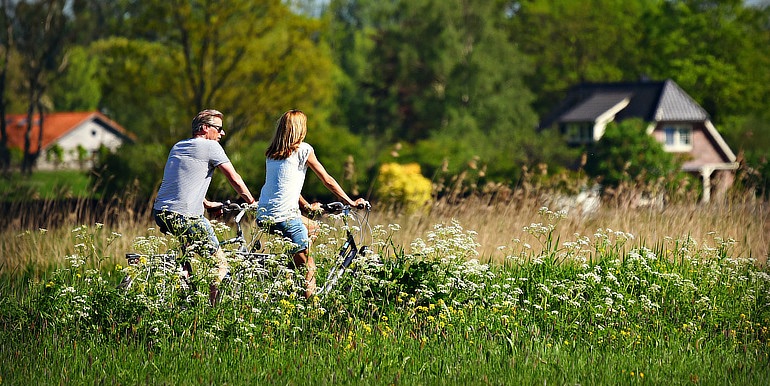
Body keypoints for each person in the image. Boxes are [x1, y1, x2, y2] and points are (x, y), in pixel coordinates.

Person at [257, 109, 368, 298]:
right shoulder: (304, 150)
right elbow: (327, 179)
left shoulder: (272, 154)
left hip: (264, 214)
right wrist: (350, 202)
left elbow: (284, 185)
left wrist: (306, 206)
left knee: (314, 227)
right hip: (285, 216)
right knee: (309, 268)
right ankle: (311, 313)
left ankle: (291, 269)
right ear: (300, 129)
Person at [153, 109, 256, 305]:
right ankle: (211, 311)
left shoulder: (178, 146)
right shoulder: (210, 147)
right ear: (204, 129)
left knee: (187, 259)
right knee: (220, 265)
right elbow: (234, 178)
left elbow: (182, 183)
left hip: (161, 212)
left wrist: (207, 203)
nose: (222, 133)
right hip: (185, 216)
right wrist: (251, 202)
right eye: (218, 128)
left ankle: (184, 297)